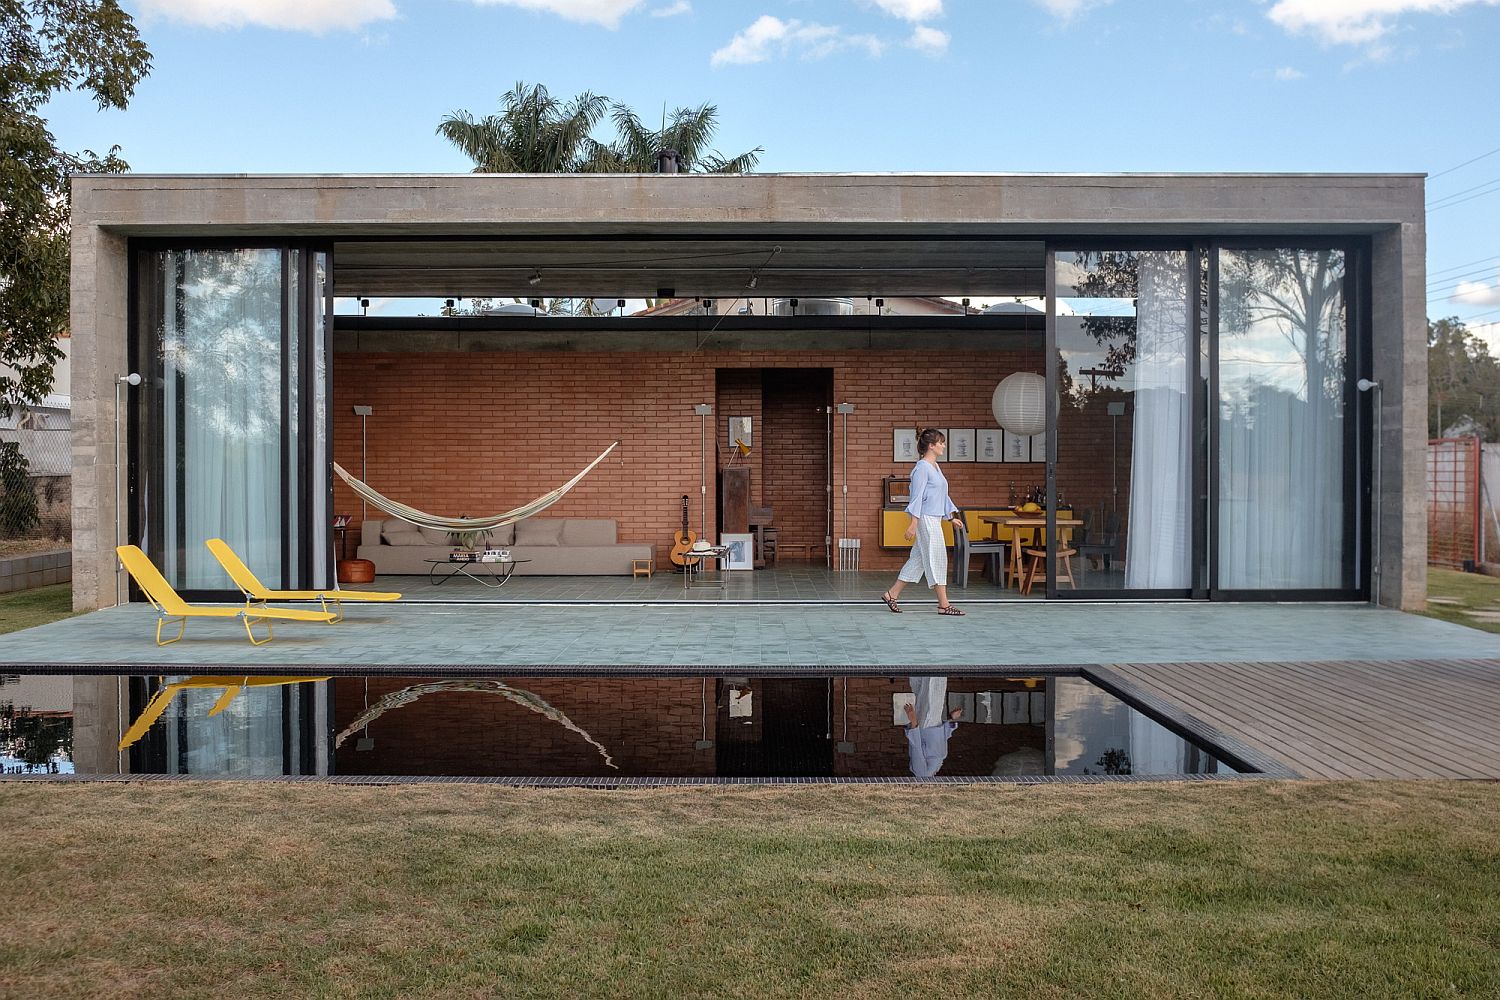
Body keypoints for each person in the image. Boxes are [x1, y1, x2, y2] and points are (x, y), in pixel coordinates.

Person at [881, 428, 966, 615]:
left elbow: (941, 495)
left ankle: (891, 594)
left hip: (934, 519)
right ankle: (944, 605)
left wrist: (951, 517)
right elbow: (916, 498)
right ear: (931, 446)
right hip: (925, 520)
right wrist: (913, 524)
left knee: (918, 560)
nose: (944, 445)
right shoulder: (921, 468)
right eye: (941, 442)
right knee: (937, 558)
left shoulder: (935, 466)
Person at [904, 675, 963, 777]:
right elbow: (940, 740)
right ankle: (921, 666)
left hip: (926, 725)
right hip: (933, 724)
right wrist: (950, 718)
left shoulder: (921, 774)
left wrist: (913, 720)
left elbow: (916, 747)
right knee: (924, 690)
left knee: (933, 688)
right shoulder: (933, 770)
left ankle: (934, 665)